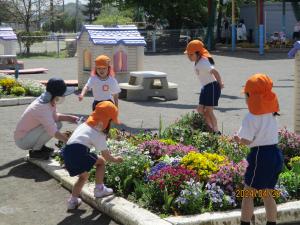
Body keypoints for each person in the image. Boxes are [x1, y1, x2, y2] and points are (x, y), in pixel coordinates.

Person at [233, 74, 284, 225]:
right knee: (267, 193)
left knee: (248, 194)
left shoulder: (250, 117)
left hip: (260, 156)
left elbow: (247, 140)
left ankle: (245, 222)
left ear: (251, 96)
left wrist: (238, 139)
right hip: (275, 154)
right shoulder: (272, 113)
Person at [62, 101, 123, 210]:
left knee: (83, 176)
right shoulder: (98, 134)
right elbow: (107, 156)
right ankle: (99, 189)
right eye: (110, 120)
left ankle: (73, 201)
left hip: (67, 153)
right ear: (106, 121)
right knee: (102, 162)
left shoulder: (84, 125)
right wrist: (116, 159)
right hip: (79, 152)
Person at [14, 78, 79, 160]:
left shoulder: (48, 100)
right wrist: (69, 143)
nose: (63, 96)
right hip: (23, 140)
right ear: (56, 94)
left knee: (58, 124)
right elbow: (52, 130)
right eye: (62, 94)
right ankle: (36, 152)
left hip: (29, 135)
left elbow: (55, 117)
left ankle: (39, 147)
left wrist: (71, 118)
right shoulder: (42, 107)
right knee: (52, 126)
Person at [185, 40, 224, 134]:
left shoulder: (203, 62)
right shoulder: (198, 61)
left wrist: (220, 83)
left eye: (191, 54)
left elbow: (215, 72)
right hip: (205, 87)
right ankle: (210, 128)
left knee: (209, 111)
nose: (189, 57)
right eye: (188, 55)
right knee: (200, 109)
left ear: (198, 53)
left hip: (212, 86)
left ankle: (216, 131)